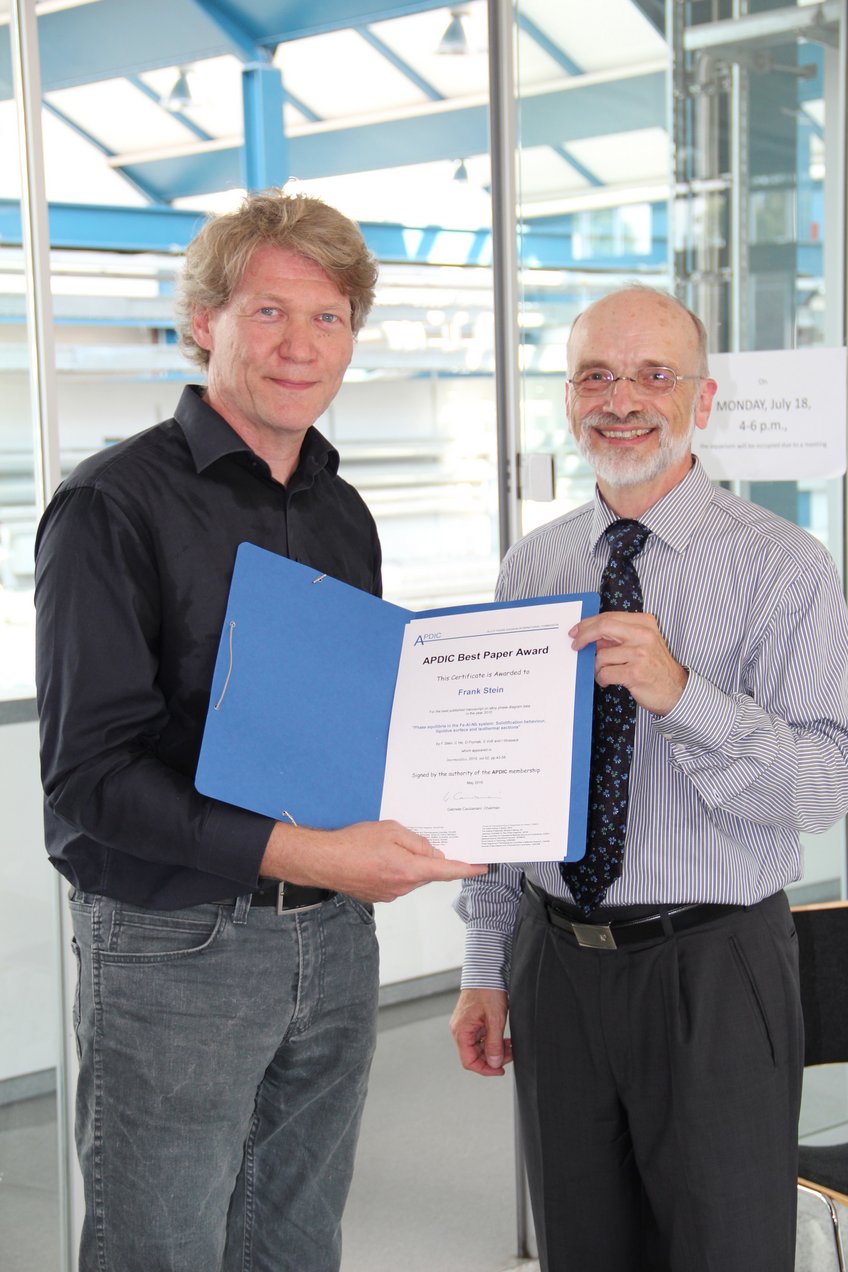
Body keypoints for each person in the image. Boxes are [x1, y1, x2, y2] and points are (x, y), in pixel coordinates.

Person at [35, 190, 487, 1272]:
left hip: (333, 939)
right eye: (269, 312)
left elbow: (353, 725)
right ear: (204, 320)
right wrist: (310, 852)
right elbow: (89, 778)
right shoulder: (111, 506)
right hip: (177, 944)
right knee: (163, 1247)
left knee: (293, 1241)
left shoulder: (340, 510)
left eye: (328, 318)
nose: (301, 345)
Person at [450, 285, 848, 1272]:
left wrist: (682, 696)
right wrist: (483, 967)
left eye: (651, 375)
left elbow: (821, 787)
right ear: (569, 397)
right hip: (554, 968)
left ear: (701, 401)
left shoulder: (784, 568)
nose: (620, 398)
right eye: (594, 374)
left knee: (724, 1250)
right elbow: (500, 796)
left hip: (710, 967)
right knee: (579, 1249)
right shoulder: (531, 566)